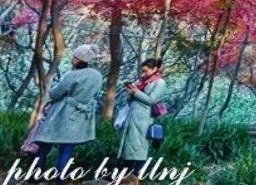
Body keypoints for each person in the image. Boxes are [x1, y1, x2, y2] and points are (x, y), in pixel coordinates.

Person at [29, 45, 103, 179]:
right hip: (80, 117)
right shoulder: (97, 75)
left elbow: (55, 94)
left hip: (63, 114)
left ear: (80, 59)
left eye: (75, 57)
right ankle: (60, 181)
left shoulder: (72, 75)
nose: (72, 59)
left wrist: (52, 94)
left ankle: (35, 178)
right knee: (66, 151)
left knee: (44, 144)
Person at [118, 58, 166, 175]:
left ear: (154, 69)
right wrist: (131, 92)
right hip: (132, 116)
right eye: (142, 71)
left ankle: (135, 176)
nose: (143, 73)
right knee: (128, 148)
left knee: (139, 148)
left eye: (146, 71)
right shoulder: (142, 81)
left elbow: (152, 99)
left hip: (144, 119)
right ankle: (124, 176)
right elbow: (132, 100)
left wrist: (136, 92)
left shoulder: (160, 82)